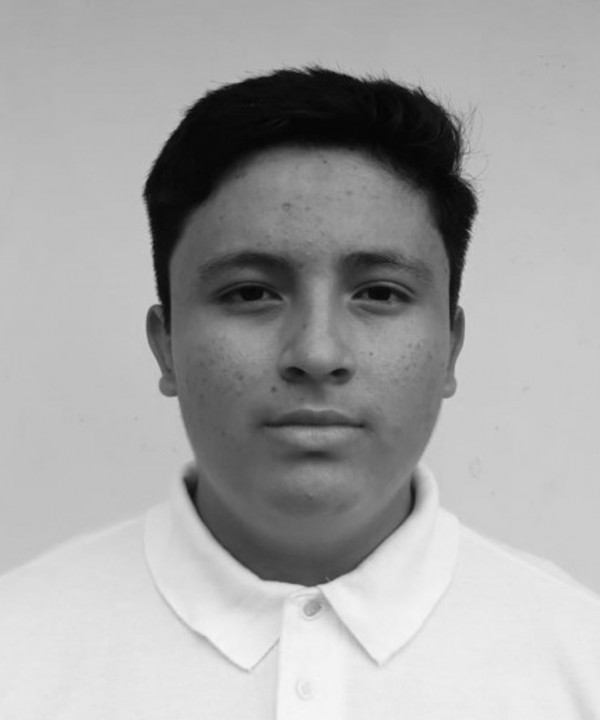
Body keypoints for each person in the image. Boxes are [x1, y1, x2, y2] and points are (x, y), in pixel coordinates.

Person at [1, 65, 599, 718]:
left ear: (450, 347)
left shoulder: (579, 659)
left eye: (379, 293)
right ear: (166, 342)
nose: (317, 353)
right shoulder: (18, 651)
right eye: (250, 293)